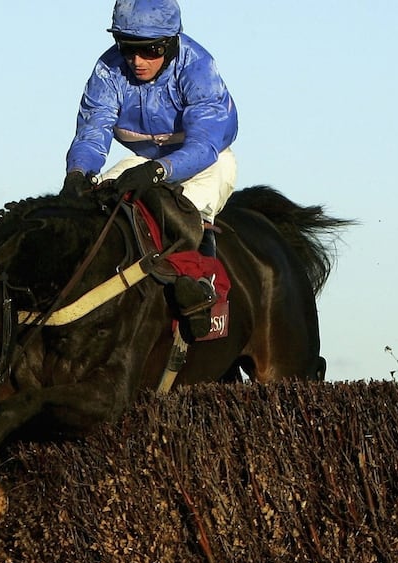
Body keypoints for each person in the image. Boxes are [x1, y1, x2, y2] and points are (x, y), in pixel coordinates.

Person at [60, 0, 238, 336]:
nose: (137, 61)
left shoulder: (198, 68)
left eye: (151, 49)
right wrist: (78, 173)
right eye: (127, 48)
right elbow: (93, 130)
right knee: (94, 207)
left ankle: (204, 290)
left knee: (184, 210)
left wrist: (159, 173)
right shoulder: (108, 71)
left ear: (171, 42)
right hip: (145, 160)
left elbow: (204, 145)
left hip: (206, 160)